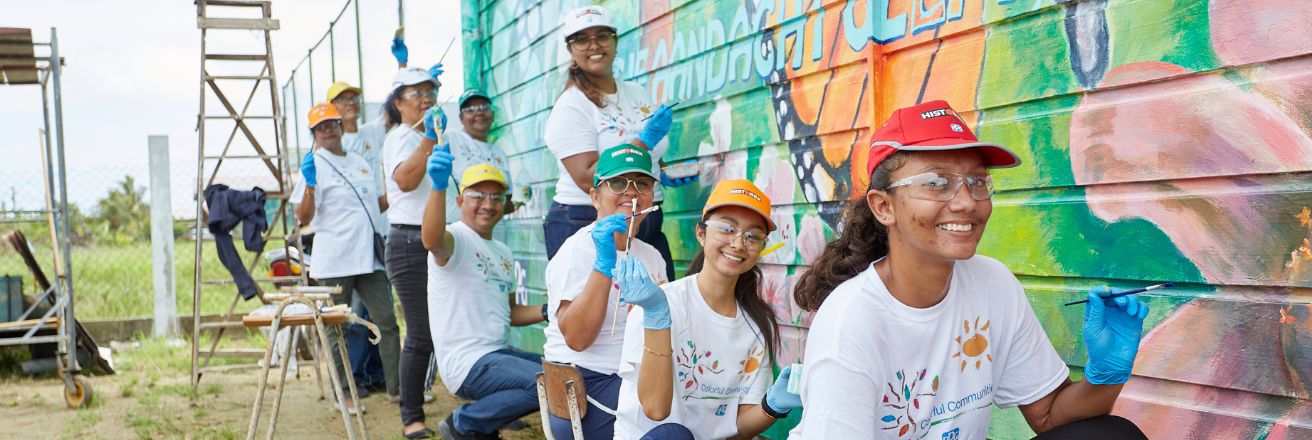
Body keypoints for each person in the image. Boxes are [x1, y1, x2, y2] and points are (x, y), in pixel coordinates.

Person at [788, 100, 1149, 439]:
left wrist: (1105, 376)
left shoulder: (992, 284)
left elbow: (1049, 415)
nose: (966, 203)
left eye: (977, 182)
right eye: (936, 183)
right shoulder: (849, 324)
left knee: (1112, 434)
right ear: (884, 207)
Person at [613, 179, 803, 439]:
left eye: (753, 236)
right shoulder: (658, 304)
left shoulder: (757, 325)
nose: (738, 244)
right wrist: (657, 318)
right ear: (701, 233)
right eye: (727, 229)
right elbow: (655, 410)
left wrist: (772, 406)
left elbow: (738, 430)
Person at [542, 5, 694, 280]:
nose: (594, 46)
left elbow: (646, 155)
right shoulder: (571, 106)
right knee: (600, 306)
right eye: (582, 39)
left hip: (645, 217)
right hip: (587, 220)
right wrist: (644, 140)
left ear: (615, 41)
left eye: (602, 36)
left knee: (659, 299)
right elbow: (589, 178)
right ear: (570, 50)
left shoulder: (635, 92)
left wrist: (661, 171)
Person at [543, 144, 670, 439]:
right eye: (618, 183)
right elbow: (577, 339)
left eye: (642, 183)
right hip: (583, 386)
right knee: (674, 419)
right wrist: (603, 265)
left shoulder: (652, 256)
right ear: (595, 196)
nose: (631, 192)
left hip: (635, 378)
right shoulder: (577, 250)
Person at [420, 153, 546, 439]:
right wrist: (438, 186)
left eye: (496, 197)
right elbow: (431, 240)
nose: (488, 204)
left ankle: (481, 428)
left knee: (565, 374)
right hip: (468, 362)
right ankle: (465, 423)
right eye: (478, 195)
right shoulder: (456, 238)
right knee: (546, 383)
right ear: (460, 201)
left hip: (497, 353)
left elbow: (511, 312)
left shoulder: (503, 252)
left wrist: (549, 310)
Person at [293, 102, 400, 414]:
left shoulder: (358, 161)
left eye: (332, 124)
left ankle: (398, 389)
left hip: (368, 256)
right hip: (335, 259)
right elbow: (303, 217)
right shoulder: (314, 163)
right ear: (314, 133)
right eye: (321, 127)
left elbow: (375, 204)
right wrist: (310, 185)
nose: (328, 130)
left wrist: (400, 190)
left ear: (341, 126)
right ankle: (344, 393)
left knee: (387, 321)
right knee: (336, 327)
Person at [381, 66, 447, 436]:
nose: (425, 100)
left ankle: (480, 400)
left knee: (452, 325)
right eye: (416, 94)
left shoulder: (428, 134)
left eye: (430, 92)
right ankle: (411, 416)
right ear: (398, 103)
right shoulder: (401, 137)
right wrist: (429, 141)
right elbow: (405, 180)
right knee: (420, 332)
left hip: (439, 237)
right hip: (409, 241)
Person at [326, 80, 392, 397]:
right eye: (343, 99)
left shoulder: (370, 133)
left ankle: (375, 375)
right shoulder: (329, 149)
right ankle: (352, 378)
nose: (351, 103)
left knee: (378, 313)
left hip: (375, 237)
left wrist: (402, 70)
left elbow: (394, 108)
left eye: (354, 98)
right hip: (346, 246)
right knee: (353, 315)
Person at [441, 89, 512, 222]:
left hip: (489, 228)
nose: (479, 112)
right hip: (455, 225)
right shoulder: (451, 138)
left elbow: (506, 199)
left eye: (484, 107)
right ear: (461, 118)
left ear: (492, 115)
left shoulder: (500, 154)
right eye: (470, 109)